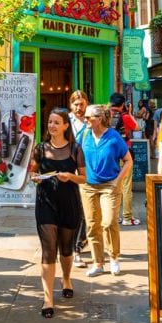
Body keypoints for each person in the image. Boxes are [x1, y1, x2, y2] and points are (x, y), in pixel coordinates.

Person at [30, 108, 85, 319]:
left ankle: (67, 278)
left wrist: (70, 176)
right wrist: (34, 177)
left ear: (65, 126)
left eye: (56, 122)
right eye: (50, 122)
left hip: (69, 203)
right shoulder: (40, 149)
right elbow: (33, 172)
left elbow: (84, 178)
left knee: (66, 249)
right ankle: (48, 298)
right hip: (45, 203)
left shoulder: (75, 149)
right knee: (49, 249)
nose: (52, 125)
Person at [79, 104, 132, 277]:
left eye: (88, 117)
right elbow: (75, 155)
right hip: (88, 186)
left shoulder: (113, 136)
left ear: (100, 119)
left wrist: (118, 180)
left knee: (109, 222)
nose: (85, 120)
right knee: (93, 225)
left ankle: (114, 258)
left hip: (110, 184)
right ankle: (98, 263)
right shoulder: (84, 134)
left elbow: (128, 160)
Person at [108, 93, 139, 226]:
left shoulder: (105, 116)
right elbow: (137, 127)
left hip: (109, 154)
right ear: (123, 105)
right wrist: (130, 112)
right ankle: (127, 217)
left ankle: (114, 216)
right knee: (126, 186)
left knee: (112, 186)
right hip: (124, 154)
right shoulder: (125, 117)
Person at [67, 90, 90, 267]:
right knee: (71, 210)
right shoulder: (66, 121)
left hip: (87, 171)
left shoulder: (91, 120)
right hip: (69, 170)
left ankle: (77, 248)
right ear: (71, 105)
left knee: (83, 211)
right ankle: (74, 244)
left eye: (82, 104)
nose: (79, 107)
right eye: (76, 104)